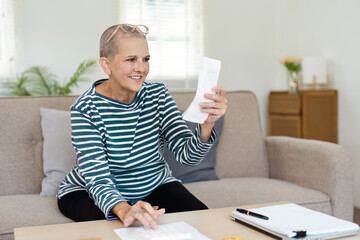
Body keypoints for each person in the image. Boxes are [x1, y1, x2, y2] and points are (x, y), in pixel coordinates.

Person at [57, 24, 227, 229]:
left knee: (206, 226)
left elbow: (187, 156)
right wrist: (124, 209)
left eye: (145, 59)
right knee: (121, 230)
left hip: (154, 185)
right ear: (106, 65)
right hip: (88, 191)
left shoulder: (158, 95)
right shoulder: (85, 109)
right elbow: (98, 177)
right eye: (131, 60)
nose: (141, 68)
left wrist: (207, 124)